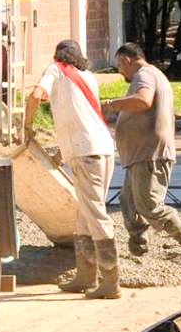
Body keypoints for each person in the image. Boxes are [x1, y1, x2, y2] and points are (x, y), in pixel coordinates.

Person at [110, 43, 181, 269]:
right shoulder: (150, 75)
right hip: (141, 154)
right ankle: (139, 247)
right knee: (128, 202)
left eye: (119, 66)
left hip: (150, 154)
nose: (120, 72)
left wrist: (110, 105)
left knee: (150, 207)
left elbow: (143, 100)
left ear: (126, 60)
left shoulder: (145, 75)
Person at [22, 39, 119, 298]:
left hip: (86, 153)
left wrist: (27, 125)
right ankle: (86, 277)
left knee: (95, 213)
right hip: (103, 148)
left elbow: (35, 95)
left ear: (59, 56)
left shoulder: (55, 69)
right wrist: (62, 154)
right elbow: (79, 117)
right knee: (84, 216)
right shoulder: (88, 76)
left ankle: (110, 281)